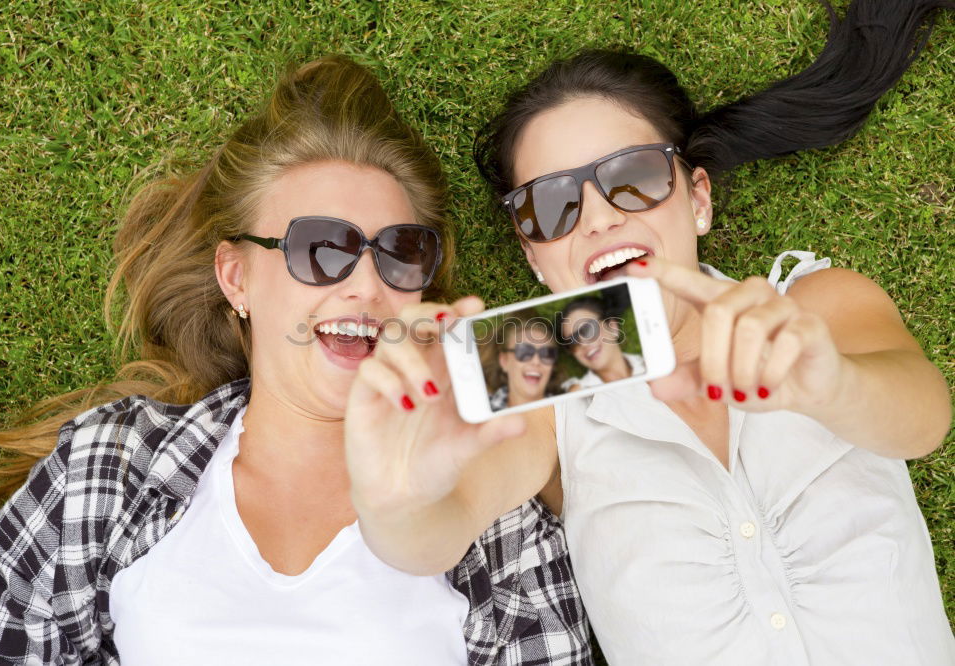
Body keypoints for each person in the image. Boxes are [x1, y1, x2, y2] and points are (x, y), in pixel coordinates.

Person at [344, 1, 955, 664]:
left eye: (631, 177)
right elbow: (437, 526)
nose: (599, 218)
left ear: (697, 199)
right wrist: (394, 500)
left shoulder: (817, 304)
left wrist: (834, 385)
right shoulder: (546, 404)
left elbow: (922, 422)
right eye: (553, 205)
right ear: (535, 258)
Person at [0, 56, 592, 665]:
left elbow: (643, 332)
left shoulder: (490, 499)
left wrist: (487, 371)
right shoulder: (111, 466)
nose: (367, 285)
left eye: (400, 252)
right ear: (236, 278)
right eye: (319, 248)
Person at [557, 297, 645, 391]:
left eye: (588, 330)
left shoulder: (653, 364)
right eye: (572, 341)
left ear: (612, 326)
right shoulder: (579, 393)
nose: (583, 344)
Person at [484, 314, 563, 410]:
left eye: (546, 354)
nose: (536, 361)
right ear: (504, 361)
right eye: (524, 352)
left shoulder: (567, 406)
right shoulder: (478, 408)